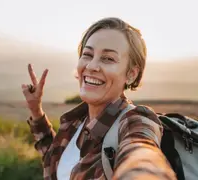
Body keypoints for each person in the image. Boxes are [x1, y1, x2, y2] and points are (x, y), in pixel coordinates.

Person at [22, 17, 176, 180]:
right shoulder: (75, 124)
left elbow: (142, 155)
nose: (91, 66)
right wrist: (35, 109)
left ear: (131, 74)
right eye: (87, 54)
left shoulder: (134, 120)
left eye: (108, 58)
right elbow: (54, 158)